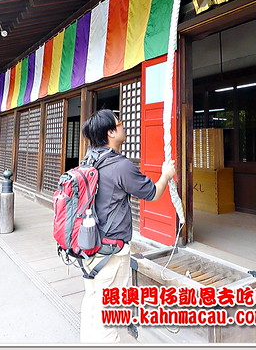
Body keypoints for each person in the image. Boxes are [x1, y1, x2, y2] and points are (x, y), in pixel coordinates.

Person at [79, 109, 176, 343]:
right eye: (119, 124)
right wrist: (166, 174)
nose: (124, 127)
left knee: (93, 300)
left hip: (88, 243)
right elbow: (152, 193)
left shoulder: (89, 159)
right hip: (111, 251)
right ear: (111, 132)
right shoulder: (119, 165)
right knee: (109, 310)